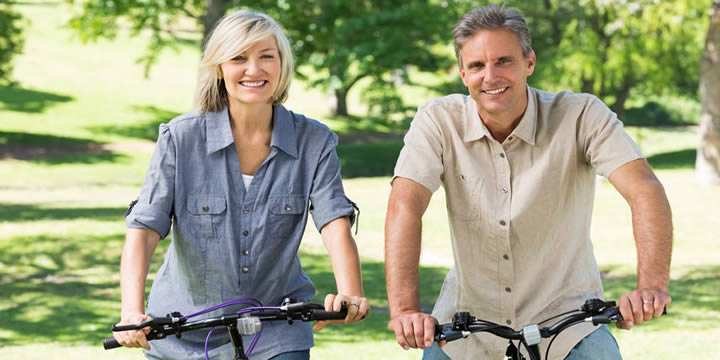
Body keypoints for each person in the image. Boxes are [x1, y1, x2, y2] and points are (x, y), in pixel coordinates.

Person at [385, 4, 672, 360]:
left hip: (570, 323)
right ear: (463, 73)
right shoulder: (438, 122)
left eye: (504, 61)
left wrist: (651, 288)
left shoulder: (581, 115)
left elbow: (644, 189)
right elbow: (405, 205)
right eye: (477, 65)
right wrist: (405, 310)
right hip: (468, 328)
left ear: (529, 63)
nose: (490, 76)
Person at [112, 10, 369, 360]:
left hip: (275, 328)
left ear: (282, 65)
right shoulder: (180, 139)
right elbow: (144, 228)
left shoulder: (315, 141)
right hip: (182, 330)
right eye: (239, 58)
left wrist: (349, 293)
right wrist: (131, 311)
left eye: (267, 56)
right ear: (219, 67)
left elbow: (334, 222)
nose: (254, 69)